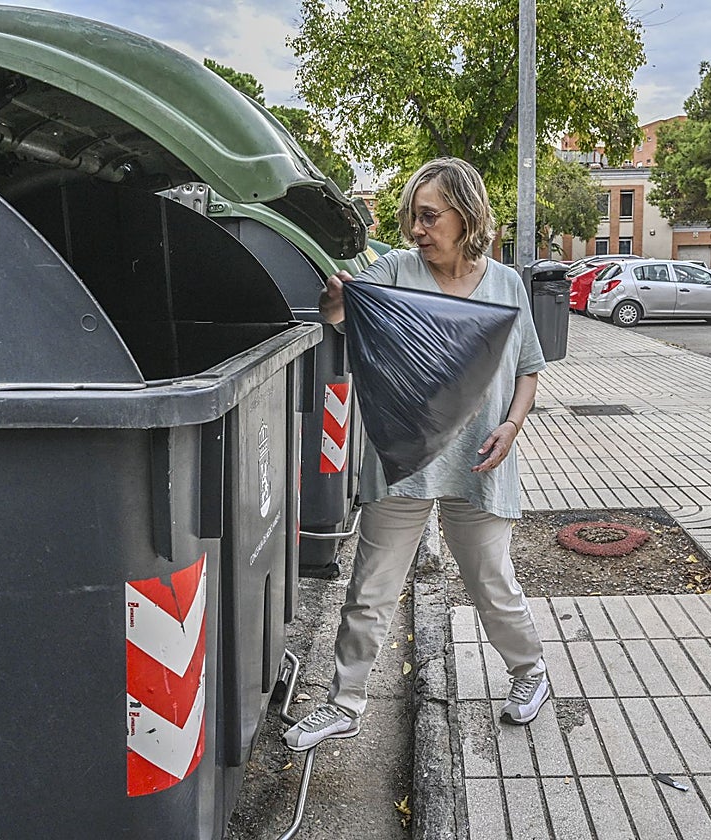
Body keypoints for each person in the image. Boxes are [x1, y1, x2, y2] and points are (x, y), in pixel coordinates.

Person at [284, 157, 550, 752]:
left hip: (480, 459)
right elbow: (341, 319)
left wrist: (511, 425)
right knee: (371, 588)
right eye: (411, 217)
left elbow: (529, 369)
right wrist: (334, 302)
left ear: (466, 215)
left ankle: (530, 674)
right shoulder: (398, 271)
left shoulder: (505, 284)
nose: (416, 230)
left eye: (429, 217)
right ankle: (344, 704)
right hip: (402, 461)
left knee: (490, 582)